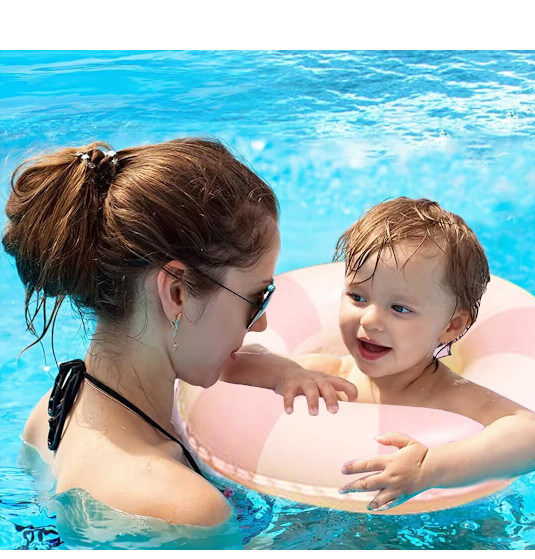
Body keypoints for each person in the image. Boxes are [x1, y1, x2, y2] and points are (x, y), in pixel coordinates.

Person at [2, 138, 357, 526]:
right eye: (257, 298)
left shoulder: (50, 412)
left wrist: (277, 368)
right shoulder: (183, 508)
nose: (261, 324)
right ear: (176, 293)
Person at [221, 197, 535, 511]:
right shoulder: (330, 374)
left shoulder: (454, 398)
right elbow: (233, 365)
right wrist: (285, 373)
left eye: (400, 308)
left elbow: (533, 435)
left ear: (452, 326)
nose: (370, 320)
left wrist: (431, 468)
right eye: (358, 296)